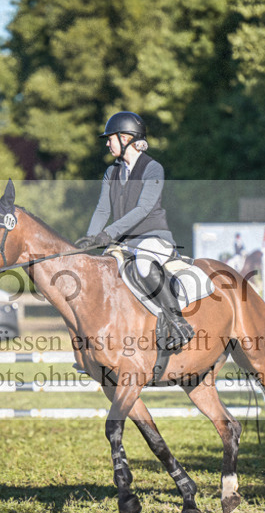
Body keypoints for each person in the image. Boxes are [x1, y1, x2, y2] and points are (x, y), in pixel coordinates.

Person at [75, 111, 194, 350]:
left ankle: (179, 323)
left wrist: (108, 233)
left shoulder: (153, 168)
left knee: (143, 264)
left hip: (153, 237)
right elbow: (101, 209)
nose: (107, 143)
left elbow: (144, 208)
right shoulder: (112, 172)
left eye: (111, 138)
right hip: (123, 241)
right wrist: (91, 238)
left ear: (127, 137)